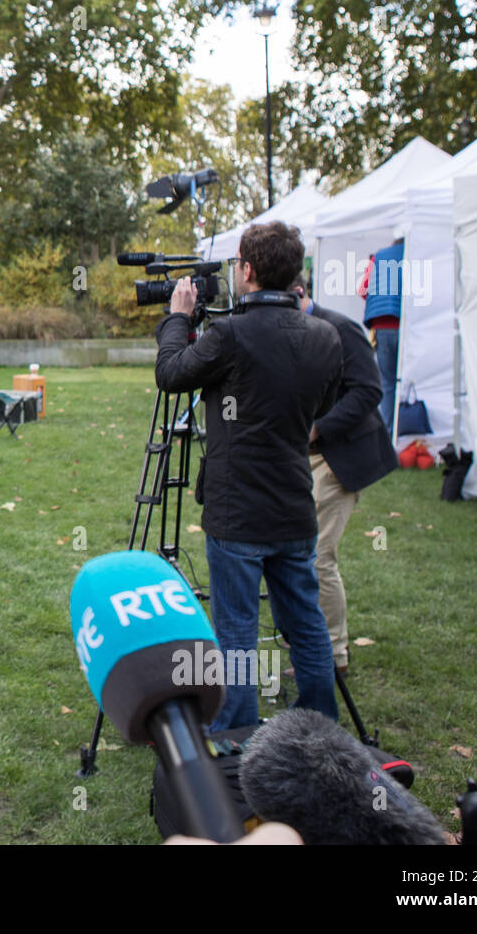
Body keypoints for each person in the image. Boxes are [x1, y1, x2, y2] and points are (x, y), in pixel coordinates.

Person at [154, 221, 342, 732]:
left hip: (238, 514)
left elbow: (171, 374)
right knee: (305, 623)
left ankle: (236, 730)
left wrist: (177, 317)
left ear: (249, 271)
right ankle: (319, 725)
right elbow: (319, 407)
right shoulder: (325, 336)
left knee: (236, 630)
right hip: (294, 509)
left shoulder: (232, 335)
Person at [293, 276, 398, 676]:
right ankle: (309, 643)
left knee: (318, 555)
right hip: (305, 457)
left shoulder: (341, 327)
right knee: (299, 553)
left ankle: (333, 656)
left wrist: (319, 428)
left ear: (300, 293)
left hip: (341, 455)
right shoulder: (295, 330)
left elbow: (369, 391)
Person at [364, 238, 404, 438]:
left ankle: (386, 436)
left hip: (381, 327)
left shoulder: (378, 257)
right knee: (407, 380)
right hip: (404, 325)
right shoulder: (413, 253)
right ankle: (405, 434)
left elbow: (363, 290)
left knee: (387, 384)